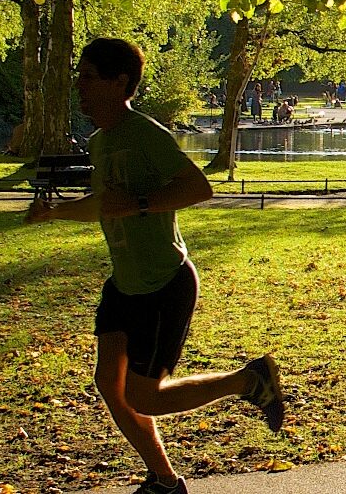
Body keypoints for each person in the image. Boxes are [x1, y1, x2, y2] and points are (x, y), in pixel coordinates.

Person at [27, 39, 285, 494]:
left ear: (119, 81)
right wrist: (54, 212)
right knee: (110, 384)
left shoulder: (145, 134)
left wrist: (142, 204)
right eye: (79, 77)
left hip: (163, 284)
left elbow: (199, 189)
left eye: (88, 77)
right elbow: (109, 205)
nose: (79, 87)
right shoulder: (100, 142)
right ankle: (165, 481)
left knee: (142, 396)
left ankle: (249, 380)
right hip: (124, 285)